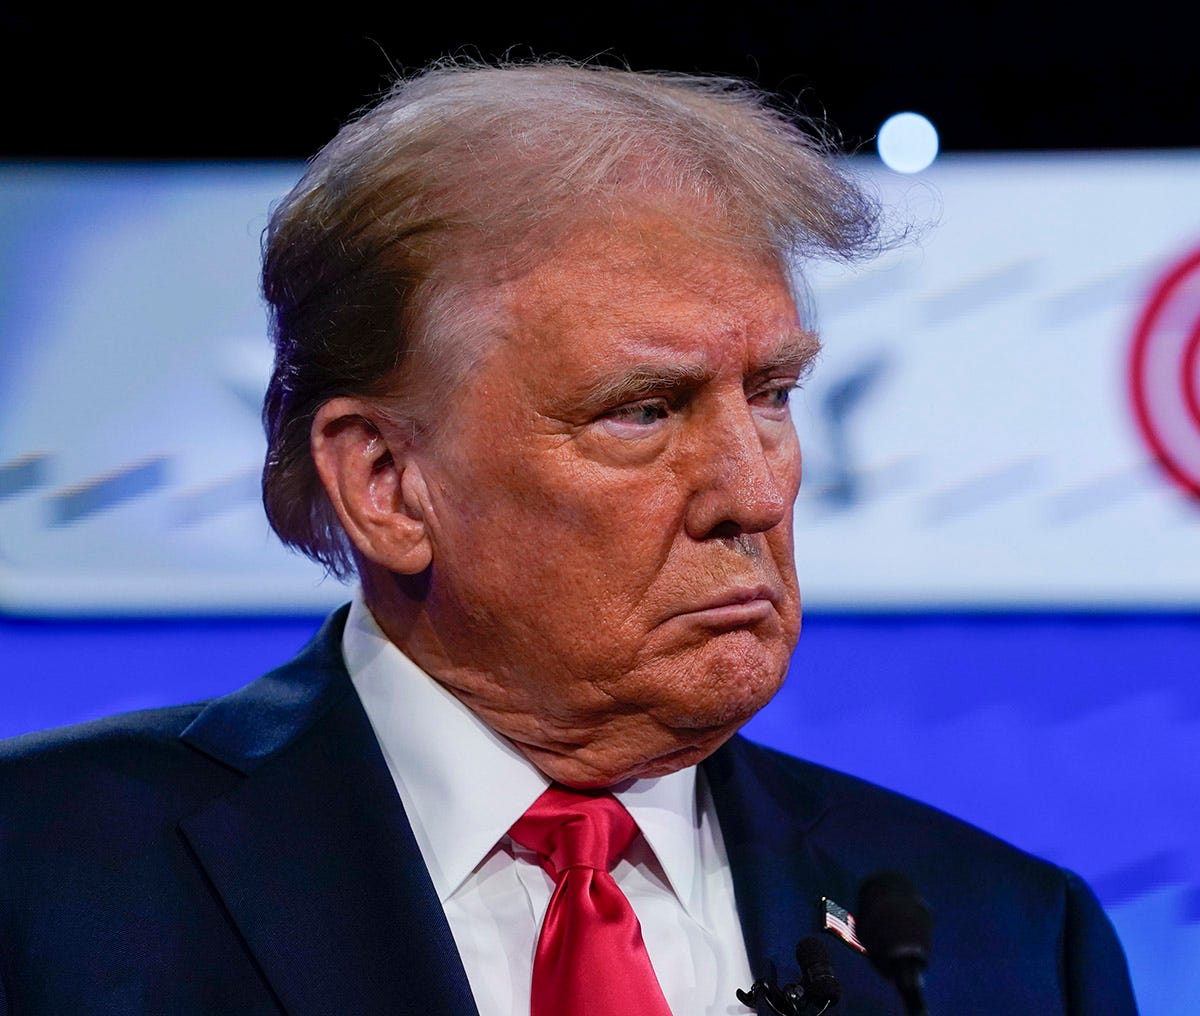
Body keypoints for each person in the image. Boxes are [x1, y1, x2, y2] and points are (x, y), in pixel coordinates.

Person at [0, 62, 1136, 1015]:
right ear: (387, 482)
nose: (752, 489)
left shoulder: (1009, 942)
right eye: (644, 409)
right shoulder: (42, 881)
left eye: (776, 393)